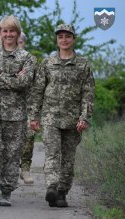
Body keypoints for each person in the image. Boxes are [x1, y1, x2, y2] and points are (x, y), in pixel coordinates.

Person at [28, 24, 94, 207]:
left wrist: (84, 117)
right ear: (57, 40)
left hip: (73, 121)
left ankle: (62, 192)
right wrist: (34, 117)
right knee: (52, 153)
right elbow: (37, 90)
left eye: (67, 36)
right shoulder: (48, 63)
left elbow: (88, 94)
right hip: (51, 118)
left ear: (74, 39)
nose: (64, 40)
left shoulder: (83, 65)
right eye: (60, 37)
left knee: (67, 159)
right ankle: (51, 187)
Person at [0, 15, 36, 206]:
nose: (8, 34)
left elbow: (24, 83)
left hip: (16, 114)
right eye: (5, 31)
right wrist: (11, 79)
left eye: (12, 31)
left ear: (18, 33)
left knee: (12, 153)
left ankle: (6, 192)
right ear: (0, 33)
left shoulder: (27, 58)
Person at [17, 31, 36, 185]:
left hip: (27, 105)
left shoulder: (31, 60)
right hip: (8, 105)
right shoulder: (3, 56)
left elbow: (38, 83)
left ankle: (25, 168)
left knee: (29, 136)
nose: (19, 44)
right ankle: (7, 169)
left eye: (21, 42)